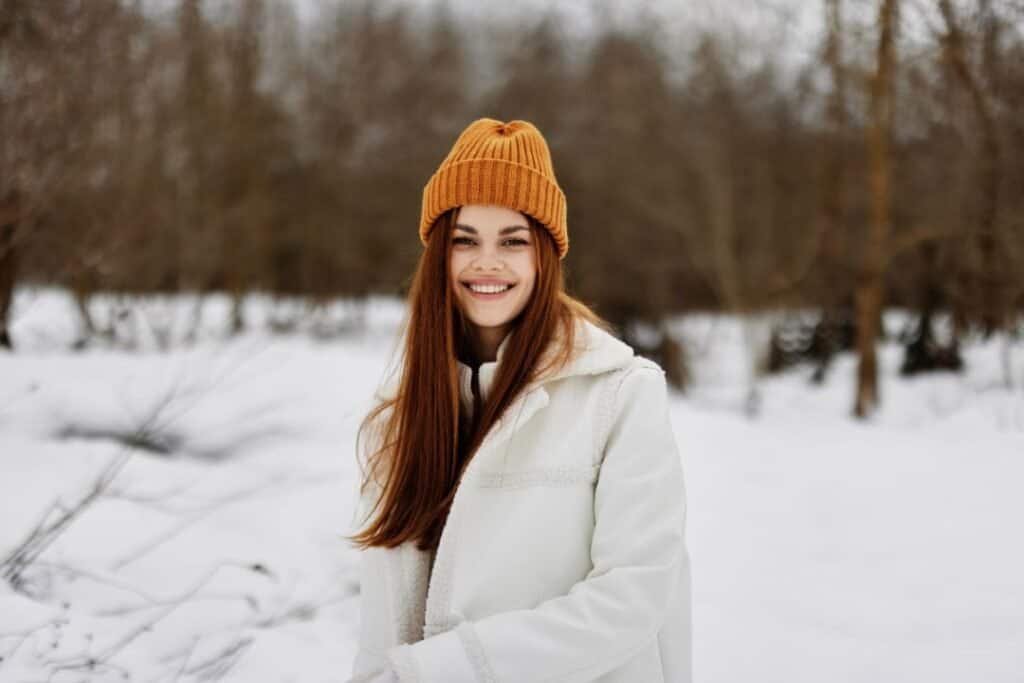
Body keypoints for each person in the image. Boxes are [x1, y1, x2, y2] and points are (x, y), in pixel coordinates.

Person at [346, 118, 692, 682]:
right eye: (465, 241)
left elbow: (634, 596)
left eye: (513, 241)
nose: (488, 262)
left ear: (544, 257)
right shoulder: (402, 414)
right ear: (439, 256)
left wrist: (449, 670)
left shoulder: (621, 393)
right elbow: (382, 626)